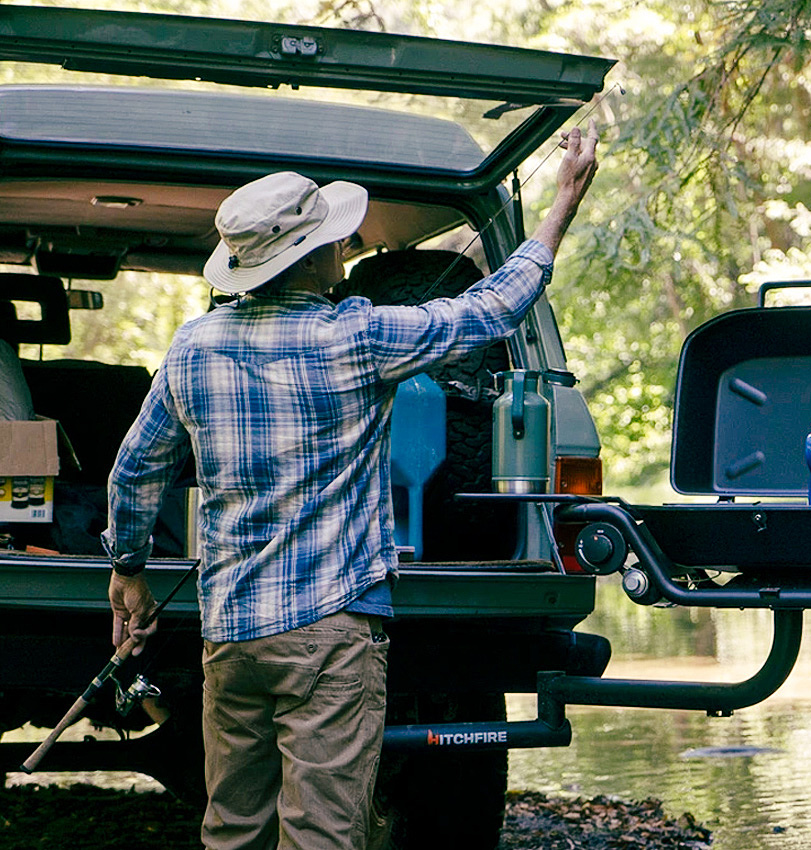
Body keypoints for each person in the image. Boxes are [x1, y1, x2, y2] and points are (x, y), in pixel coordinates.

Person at [102, 121, 599, 850]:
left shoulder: (192, 347)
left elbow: (136, 469)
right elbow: (490, 309)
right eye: (334, 239)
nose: (345, 246)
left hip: (231, 635)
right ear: (311, 260)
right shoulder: (355, 337)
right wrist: (559, 207)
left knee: (233, 827)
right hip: (331, 634)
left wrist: (129, 573)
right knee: (326, 834)